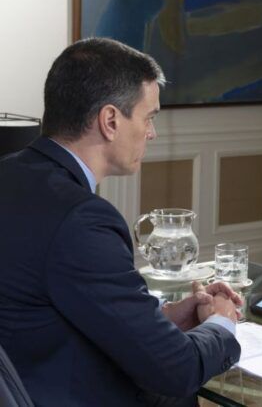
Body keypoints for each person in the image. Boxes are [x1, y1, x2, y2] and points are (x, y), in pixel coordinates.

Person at [0, 38, 242, 406]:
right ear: (110, 120)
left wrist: (165, 319)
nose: (152, 133)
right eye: (149, 118)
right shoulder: (81, 219)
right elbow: (176, 369)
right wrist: (222, 324)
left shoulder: (10, 175)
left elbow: (46, 306)